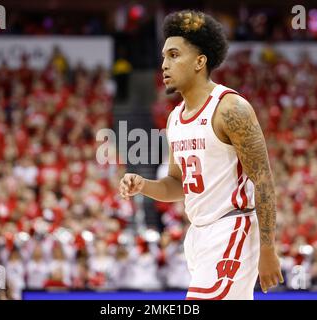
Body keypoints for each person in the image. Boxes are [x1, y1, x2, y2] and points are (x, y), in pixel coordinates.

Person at [119, 10, 283, 300]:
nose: (164, 65)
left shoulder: (231, 108)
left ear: (199, 61)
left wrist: (268, 249)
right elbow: (177, 185)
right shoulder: (174, 119)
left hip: (232, 227)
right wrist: (144, 185)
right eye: (163, 56)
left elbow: (264, 181)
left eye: (173, 55)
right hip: (197, 236)